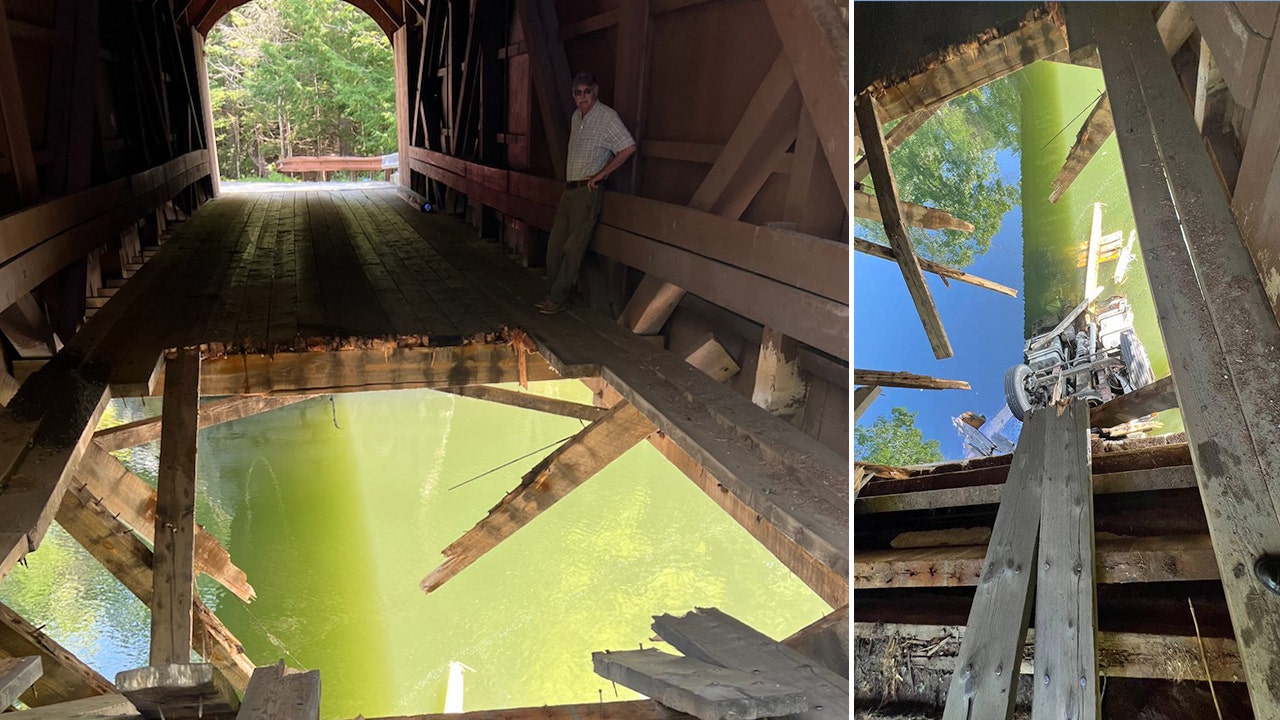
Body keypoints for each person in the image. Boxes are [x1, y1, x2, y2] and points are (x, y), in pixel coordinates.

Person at [536, 72, 637, 314]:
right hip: (569, 190)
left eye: (587, 91)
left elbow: (629, 147)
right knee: (555, 245)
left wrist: (601, 175)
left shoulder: (607, 117)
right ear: (573, 95)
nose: (582, 97)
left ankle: (558, 299)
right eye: (577, 93)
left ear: (596, 90)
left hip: (587, 192)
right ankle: (553, 293)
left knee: (573, 247)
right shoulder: (575, 117)